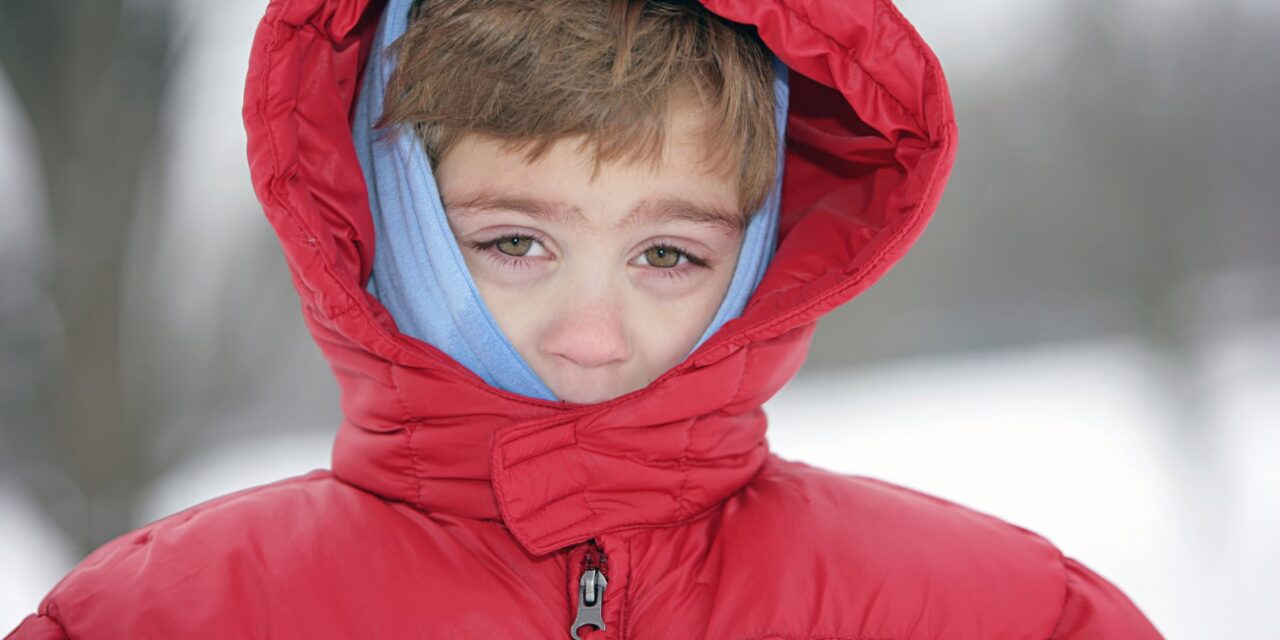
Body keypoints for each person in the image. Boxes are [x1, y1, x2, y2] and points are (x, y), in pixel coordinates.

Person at [6, 0, 1165, 638]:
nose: (593, 335)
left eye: (668, 254)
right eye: (515, 244)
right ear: (398, 223)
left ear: (754, 249)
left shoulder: (996, 618)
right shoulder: (156, 624)